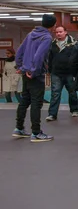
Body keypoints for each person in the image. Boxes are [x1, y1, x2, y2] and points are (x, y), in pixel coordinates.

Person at [12, 13, 56, 142]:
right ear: (53, 26)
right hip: (35, 74)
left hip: (26, 72)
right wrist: (34, 71)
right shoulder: (46, 37)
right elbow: (39, 56)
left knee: (24, 101)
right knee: (37, 103)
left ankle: (19, 128)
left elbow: (19, 51)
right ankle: (36, 132)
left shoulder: (31, 34)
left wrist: (21, 67)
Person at [46, 26, 78, 121]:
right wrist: (50, 71)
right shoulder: (53, 44)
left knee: (72, 92)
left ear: (65, 32)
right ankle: (52, 114)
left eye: (60, 32)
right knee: (55, 93)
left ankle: (75, 110)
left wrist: (75, 71)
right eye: (56, 32)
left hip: (70, 72)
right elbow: (50, 58)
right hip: (56, 73)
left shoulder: (73, 43)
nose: (58, 34)